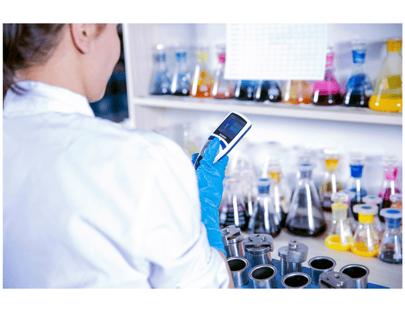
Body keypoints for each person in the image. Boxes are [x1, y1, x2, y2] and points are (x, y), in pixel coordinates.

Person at [3, 24, 233, 288]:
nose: (117, 47)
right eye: (115, 29)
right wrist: (204, 219)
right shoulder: (144, 161)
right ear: (84, 30)